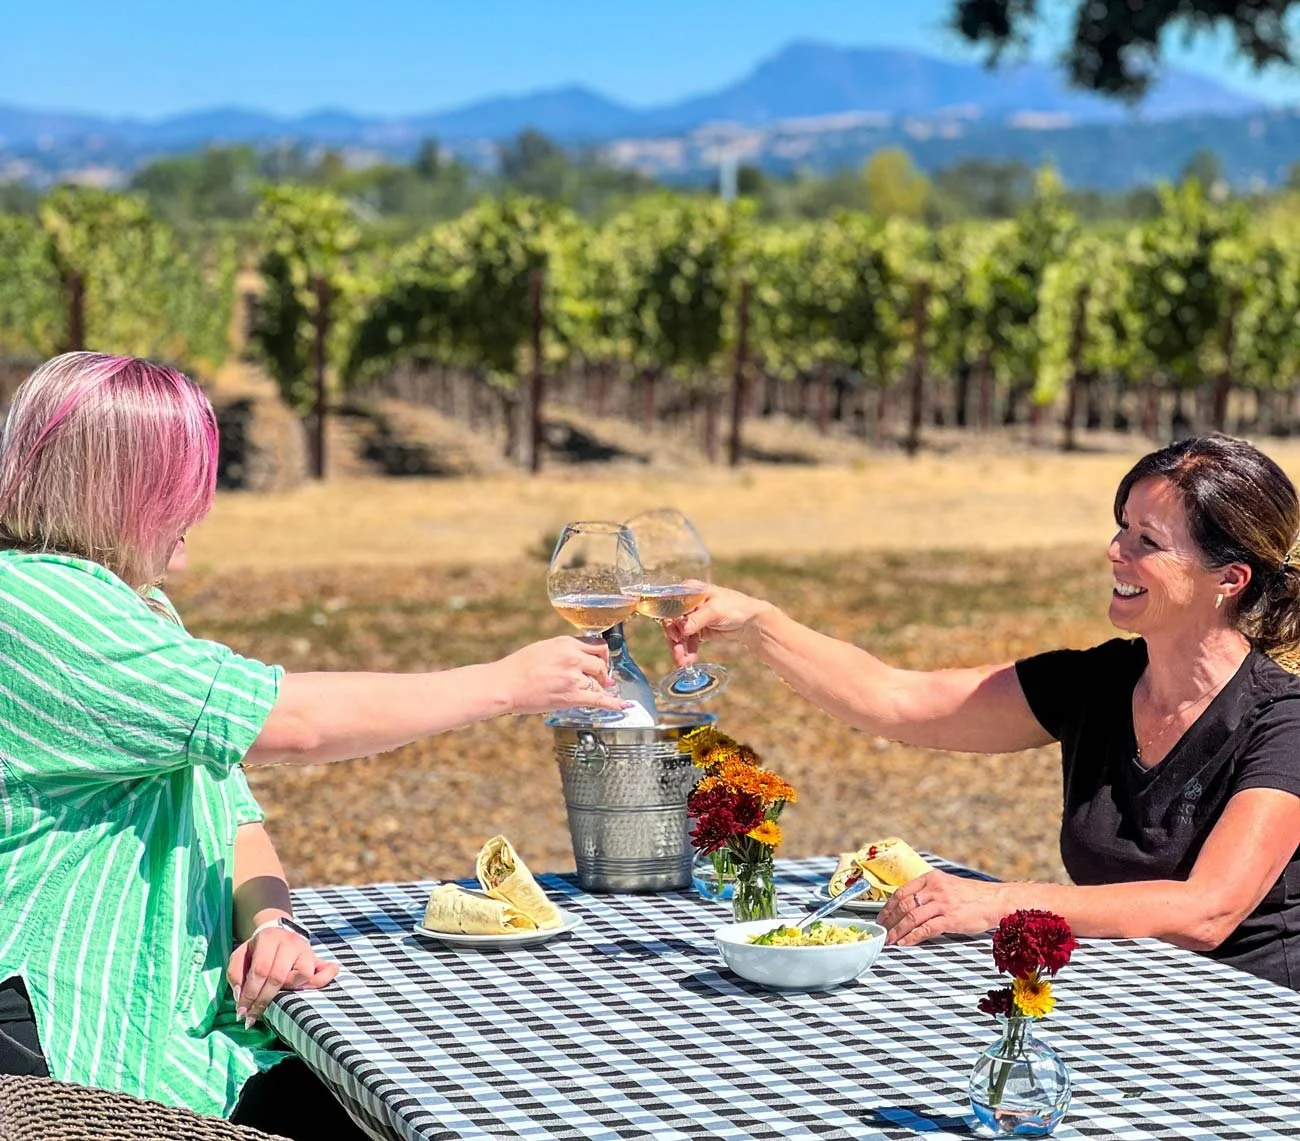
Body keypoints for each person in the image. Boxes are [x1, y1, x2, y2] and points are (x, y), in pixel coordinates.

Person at [0, 353, 624, 1135]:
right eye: (178, 494)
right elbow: (290, 723)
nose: (195, 523)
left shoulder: (134, 604)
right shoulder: (33, 605)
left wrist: (268, 921)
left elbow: (233, 812)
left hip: (180, 1038)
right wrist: (504, 684)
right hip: (64, 1052)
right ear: (115, 492)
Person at [665, 434, 1300, 990]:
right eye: (1121, 525)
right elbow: (897, 701)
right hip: (1129, 1004)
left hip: (1253, 1028)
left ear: (1230, 579)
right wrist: (757, 623)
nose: (1114, 550)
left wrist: (995, 902)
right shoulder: (1095, 683)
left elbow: (1206, 912)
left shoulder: (1283, 722)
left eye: (1147, 541)